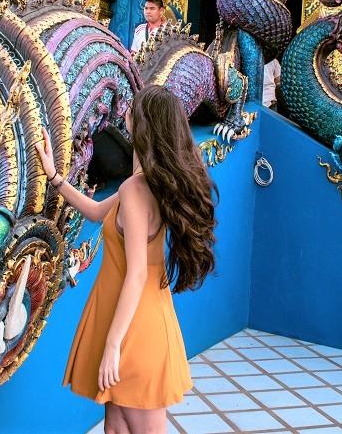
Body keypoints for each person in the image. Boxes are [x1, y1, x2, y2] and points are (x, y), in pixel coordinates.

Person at [35, 85, 217, 433]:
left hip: (134, 330)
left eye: (132, 108)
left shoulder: (137, 190)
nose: (126, 112)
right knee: (116, 428)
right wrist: (55, 177)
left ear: (142, 124)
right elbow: (96, 211)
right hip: (135, 318)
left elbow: (136, 274)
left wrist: (113, 344)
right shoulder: (143, 185)